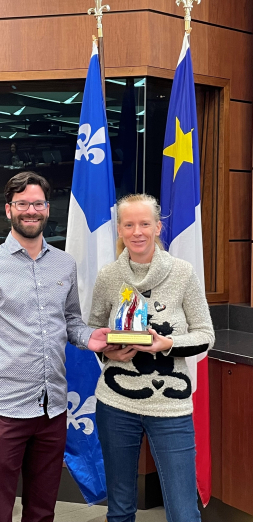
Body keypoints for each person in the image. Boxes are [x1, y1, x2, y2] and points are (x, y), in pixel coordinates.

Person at [0, 171, 110, 522]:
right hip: (4, 412)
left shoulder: (64, 264)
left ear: (47, 208)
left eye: (38, 203)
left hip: (53, 410)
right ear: (8, 210)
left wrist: (91, 338)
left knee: (42, 510)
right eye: (22, 203)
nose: (31, 210)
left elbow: (70, 321)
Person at [88, 193, 215, 522]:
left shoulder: (182, 273)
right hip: (116, 405)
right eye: (129, 224)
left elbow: (205, 335)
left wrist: (166, 345)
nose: (137, 232)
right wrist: (109, 348)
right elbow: (93, 329)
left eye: (145, 224)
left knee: (184, 511)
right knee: (119, 509)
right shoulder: (108, 277)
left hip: (170, 408)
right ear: (119, 230)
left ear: (158, 227)